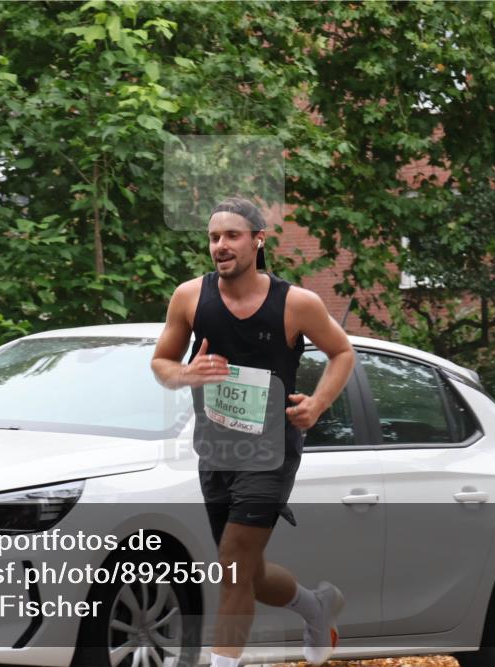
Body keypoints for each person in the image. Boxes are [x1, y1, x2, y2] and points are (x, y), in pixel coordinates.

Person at [150, 196, 355, 667]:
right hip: (216, 450)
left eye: (232, 236)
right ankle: (315, 606)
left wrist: (317, 404)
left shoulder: (296, 303)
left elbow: (342, 352)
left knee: (233, 562)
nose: (220, 246)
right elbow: (162, 363)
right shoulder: (189, 297)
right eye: (213, 237)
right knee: (247, 572)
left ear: (258, 240)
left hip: (271, 451)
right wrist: (187, 373)